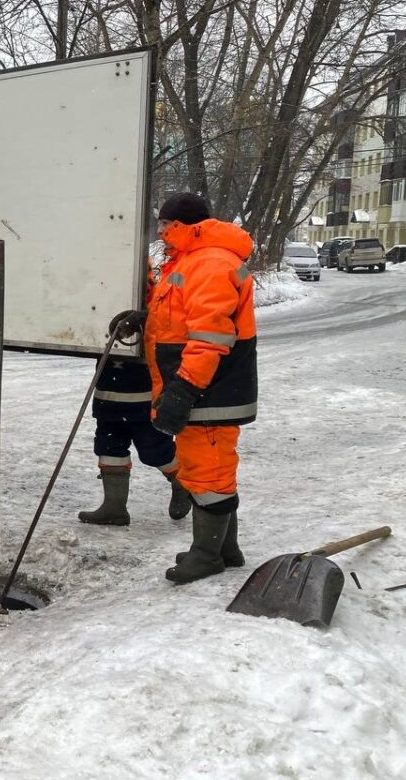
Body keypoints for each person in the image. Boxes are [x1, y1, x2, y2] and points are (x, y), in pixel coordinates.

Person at [144, 193, 257, 584]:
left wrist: (184, 389)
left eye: (166, 225)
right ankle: (224, 548)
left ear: (186, 226)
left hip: (209, 389)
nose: (160, 232)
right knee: (203, 468)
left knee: (209, 472)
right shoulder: (190, 260)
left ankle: (207, 555)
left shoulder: (210, 263)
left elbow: (209, 336)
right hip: (203, 388)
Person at [78, 354, 190, 526]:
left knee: (155, 451)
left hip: (145, 399)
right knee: (109, 448)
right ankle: (114, 508)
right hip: (108, 398)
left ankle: (182, 481)